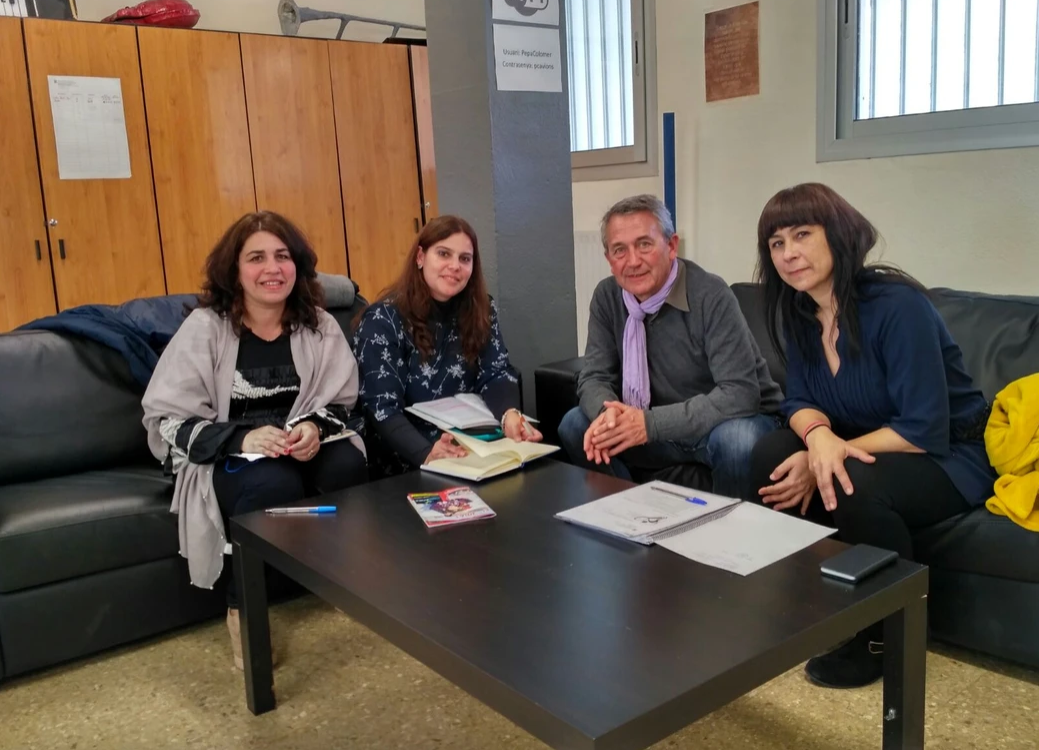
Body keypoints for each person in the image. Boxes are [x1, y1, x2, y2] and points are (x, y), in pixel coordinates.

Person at [747, 183, 995, 689]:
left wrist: (828, 453)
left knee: (851, 479)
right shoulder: (800, 312)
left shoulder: (898, 306)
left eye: (802, 235)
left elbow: (922, 428)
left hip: (948, 452)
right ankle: (815, 604)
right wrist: (818, 438)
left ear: (838, 235)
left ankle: (887, 634)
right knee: (770, 454)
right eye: (776, 243)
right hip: (865, 441)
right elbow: (797, 401)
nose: (789, 253)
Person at [142, 210, 368, 670]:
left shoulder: (319, 324)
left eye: (282, 256)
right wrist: (243, 439)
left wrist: (313, 428)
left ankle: (338, 579)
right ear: (235, 270)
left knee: (347, 463)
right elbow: (166, 421)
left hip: (299, 445)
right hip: (230, 453)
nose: (272, 269)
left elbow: (343, 403)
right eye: (256, 258)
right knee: (272, 483)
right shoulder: (206, 328)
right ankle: (241, 607)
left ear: (297, 265)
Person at [557, 194, 783, 498]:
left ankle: (728, 527)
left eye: (644, 245)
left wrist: (648, 424)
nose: (633, 261)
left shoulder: (711, 295)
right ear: (609, 259)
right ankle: (635, 511)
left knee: (737, 439)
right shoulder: (607, 297)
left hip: (722, 424)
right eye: (620, 250)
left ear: (671, 246)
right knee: (576, 424)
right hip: (656, 427)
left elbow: (739, 394)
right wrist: (607, 415)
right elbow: (594, 376)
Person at [352, 215, 539, 475]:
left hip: (474, 440)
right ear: (420, 257)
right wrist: (427, 453)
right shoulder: (383, 319)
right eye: (443, 254)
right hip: (407, 449)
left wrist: (509, 415)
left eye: (465, 259)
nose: (455, 266)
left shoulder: (482, 309)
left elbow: (496, 372)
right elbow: (382, 408)